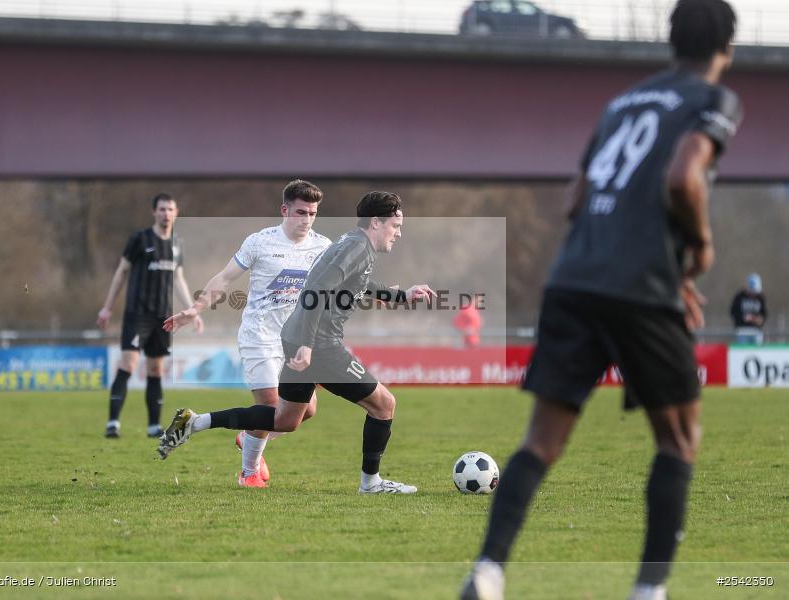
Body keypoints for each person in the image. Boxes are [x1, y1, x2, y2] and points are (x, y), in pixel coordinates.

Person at [461, 1, 743, 599]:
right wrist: (700, 245)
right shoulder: (714, 100)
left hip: (573, 279)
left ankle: (488, 571)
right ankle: (649, 589)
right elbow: (682, 177)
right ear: (728, 46)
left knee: (541, 440)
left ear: (671, 40)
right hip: (640, 291)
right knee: (678, 440)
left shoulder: (623, 103)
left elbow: (577, 198)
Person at [159, 191, 436, 494]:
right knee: (384, 405)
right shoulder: (356, 248)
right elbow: (316, 289)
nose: (398, 233)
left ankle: (194, 422)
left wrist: (401, 295)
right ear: (375, 222)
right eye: (395, 226)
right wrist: (307, 344)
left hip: (296, 338)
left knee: (286, 420)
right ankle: (370, 483)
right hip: (319, 344)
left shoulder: (352, 243)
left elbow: (359, 282)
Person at [160, 179, 331, 488]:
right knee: (270, 408)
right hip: (259, 336)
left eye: (312, 213)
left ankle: (236, 432)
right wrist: (195, 309)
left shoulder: (322, 246)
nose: (307, 220)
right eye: (301, 212)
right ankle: (248, 473)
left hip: (294, 340)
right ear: (285, 210)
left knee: (305, 412)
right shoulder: (260, 242)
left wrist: (387, 296)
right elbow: (225, 278)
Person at [97, 193, 199, 439]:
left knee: (155, 368)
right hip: (137, 314)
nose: (166, 213)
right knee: (128, 364)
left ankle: (154, 426)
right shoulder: (139, 239)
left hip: (162, 317)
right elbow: (121, 272)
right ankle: (113, 423)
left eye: (170, 209)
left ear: (176, 213)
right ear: (154, 212)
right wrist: (107, 307)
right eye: (162, 209)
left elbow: (179, 279)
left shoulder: (177, 244)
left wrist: (192, 310)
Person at [730, 273, 767, 344]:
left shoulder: (760, 298)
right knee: (743, 349)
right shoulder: (739, 297)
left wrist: (759, 320)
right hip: (742, 331)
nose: (753, 294)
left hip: (756, 331)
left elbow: (764, 314)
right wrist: (743, 318)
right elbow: (733, 312)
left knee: (756, 349)